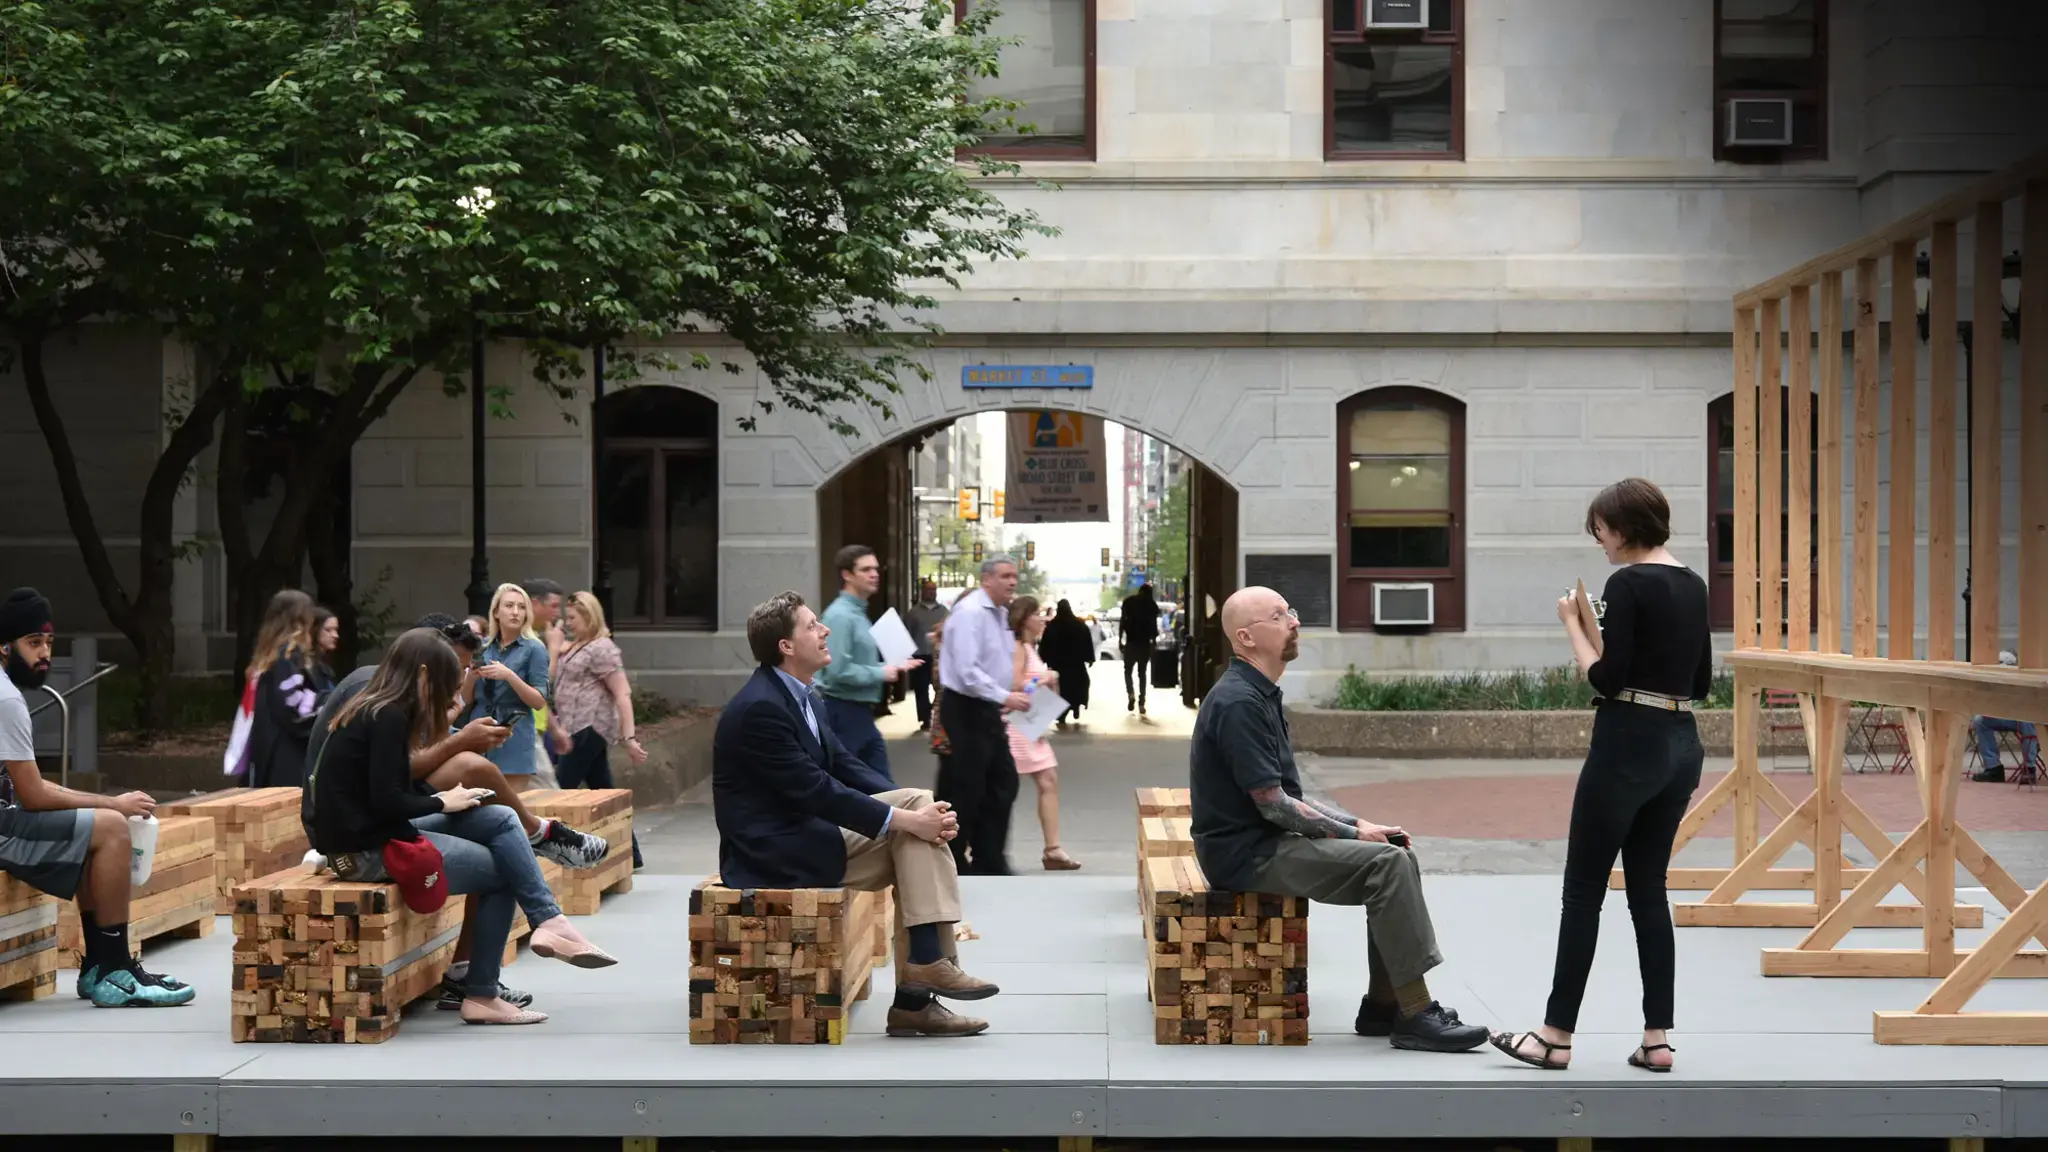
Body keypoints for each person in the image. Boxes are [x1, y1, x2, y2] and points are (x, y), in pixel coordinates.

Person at [1189, 584, 1487, 1053]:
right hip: (1244, 854)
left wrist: (1362, 825)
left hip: (1266, 840)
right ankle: (1415, 1012)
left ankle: (1384, 1007)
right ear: (1245, 638)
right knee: (1385, 865)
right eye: (1279, 615)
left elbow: (1288, 796)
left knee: (1393, 854)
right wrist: (1353, 832)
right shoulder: (1239, 703)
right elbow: (1274, 805)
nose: (1294, 621)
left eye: (1291, 610)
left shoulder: (1258, 693)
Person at [1490, 478, 1709, 1073]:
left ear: (1624, 527)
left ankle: (1555, 1035)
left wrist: (1572, 624)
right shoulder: (1694, 584)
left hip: (1627, 743)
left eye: (1602, 531)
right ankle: (1657, 1038)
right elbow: (1703, 680)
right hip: (1682, 742)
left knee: (1584, 889)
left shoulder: (1626, 581)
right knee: (1648, 890)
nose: (1601, 542)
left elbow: (1607, 679)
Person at [714, 591, 1000, 1037]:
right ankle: (918, 988)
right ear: (786, 646)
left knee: (920, 811)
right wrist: (909, 820)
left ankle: (923, 975)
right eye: (811, 625)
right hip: (774, 850)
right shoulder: (760, 709)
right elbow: (817, 790)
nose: (824, 629)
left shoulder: (804, 694)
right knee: (915, 831)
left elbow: (844, 765)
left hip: (807, 830)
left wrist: (917, 811)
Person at [307, 628, 616, 1027]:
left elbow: (387, 788)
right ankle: (482, 994)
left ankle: (549, 922)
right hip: (363, 851)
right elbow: (386, 800)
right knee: (504, 869)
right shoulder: (386, 716)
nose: (452, 699)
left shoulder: (378, 708)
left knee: (502, 817)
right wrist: (441, 802)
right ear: (422, 676)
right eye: (446, 689)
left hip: (376, 831)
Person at [0, 589, 196, 1008]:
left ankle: (99, 967)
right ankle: (114, 969)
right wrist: (113, 804)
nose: (45, 653)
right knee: (110, 827)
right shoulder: (6, 700)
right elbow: (32, 794)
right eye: (33, 643)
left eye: (49, 643)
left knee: (96, 825)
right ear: (5, 646)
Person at [935, 556, 1028, 876]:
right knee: (966, 785)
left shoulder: (999, 614)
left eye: (1015, 576)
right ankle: (952, 858)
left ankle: (989, 856)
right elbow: (967, 671)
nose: (1012, 582)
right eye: (1005, 576)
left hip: (987, 708)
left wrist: (1006, 695)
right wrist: (1004, 695)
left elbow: (995, 663)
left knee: (1002, 781)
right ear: (986, 579)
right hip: (965, 707)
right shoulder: (970, 613)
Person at [550, 591, 647, 867]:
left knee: (561, 790)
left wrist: (628, 738)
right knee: (602, 790)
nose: (569, 623)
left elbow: (622, 693)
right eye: (567, 617)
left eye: (573, 618)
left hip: (589, 727)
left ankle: (550, 853)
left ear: (589, 616)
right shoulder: (578, 645)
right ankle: (633, 855)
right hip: (574, 726)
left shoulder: (602, 647)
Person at [815, 545, 918, 783]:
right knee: (861, 788)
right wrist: (881, 672)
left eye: (875, 568)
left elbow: (855, 662)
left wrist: (892, 666)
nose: (875, 574)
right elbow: (836, 670)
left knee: (879, 789)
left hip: (858, 712)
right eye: (866, 569)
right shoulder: (840, 616)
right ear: (847, 575)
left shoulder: (857, 613)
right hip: (842, 710)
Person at [1005, 597, 1080, 871]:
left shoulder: (1027, 646)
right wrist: (1044, 679)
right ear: (1025, 618)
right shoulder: (1017, 647)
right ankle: (972, 843)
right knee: (1002, 787)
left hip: (1029, 723)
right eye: (1037, 614)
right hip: (1017, 725)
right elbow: (1013, 683)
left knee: (1048, 778)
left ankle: (1053, 849)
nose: (1043, 619)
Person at [464, 583, 550, 792]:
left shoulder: (534, 649)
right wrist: (471, 678)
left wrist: (509, 676)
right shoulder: (483, 647)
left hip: (514, 732)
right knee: (477, 803)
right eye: (509, 606)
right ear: (496, 612)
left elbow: (539, 701)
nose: (515, 612)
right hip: (480, 728)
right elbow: (465, 699)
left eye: (521, 607)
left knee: (511, 804)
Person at [247, 589, 321, 789]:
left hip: (271, 745)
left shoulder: (270, 656)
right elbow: (295, 711)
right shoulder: (287, 657)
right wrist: (325, 712)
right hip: (285, 753)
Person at [522, 578, 568, 789]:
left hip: (534, 728)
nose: (558, 613)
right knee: (549, 794)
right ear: (534, 603)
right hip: (522, 730)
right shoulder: (522, 639)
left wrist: (555, 728)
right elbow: (539, 686)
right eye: (554, 606)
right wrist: (554, 649)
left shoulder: (534, 638)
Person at [1972, 651, 2040, 783]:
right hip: (2006, 716)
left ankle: (2029, 768)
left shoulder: (2027, 676)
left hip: (2028, 718)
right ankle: (1993, 768)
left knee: (2028, 719)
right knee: (1980, 720)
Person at [1038, 599, 1094, 728]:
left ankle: (1062, 714)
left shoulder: (1052, 626)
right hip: (1076, 664)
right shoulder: (1079, 625)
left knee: (1061, 690)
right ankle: (1075, 706)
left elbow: (1045, 645)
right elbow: (1087, 642)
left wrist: (1043, 659)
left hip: (1058, 665)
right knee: (1077, 686)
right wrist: (1089, 658)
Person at [904, 580, 950, 731]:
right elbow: (906, 633)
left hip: (940, 656)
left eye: (934, 589)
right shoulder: (913, 613)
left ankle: (938, 715)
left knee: (940, 689)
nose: (932, 592)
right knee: (921, 688)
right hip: (920, 655)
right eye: (929, 589)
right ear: (922, 591)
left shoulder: (944, 611)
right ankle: (924, 718)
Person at [1119, 582, 1162, 715]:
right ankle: (1141, 702)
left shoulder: (1128, 602)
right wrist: (1154, 642)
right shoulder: (1151, 605)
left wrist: (1120, 639)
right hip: (1144, 643)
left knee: (1127, 671)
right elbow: (1154, 627)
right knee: (1142, 673)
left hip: (1131, 642)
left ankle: (1131, 693)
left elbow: (1122, 621)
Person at [310, 607, 341, 698]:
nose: (335, 635)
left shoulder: (324, 667)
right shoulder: (306, 666)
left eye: (336, 630)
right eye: (328, 630)